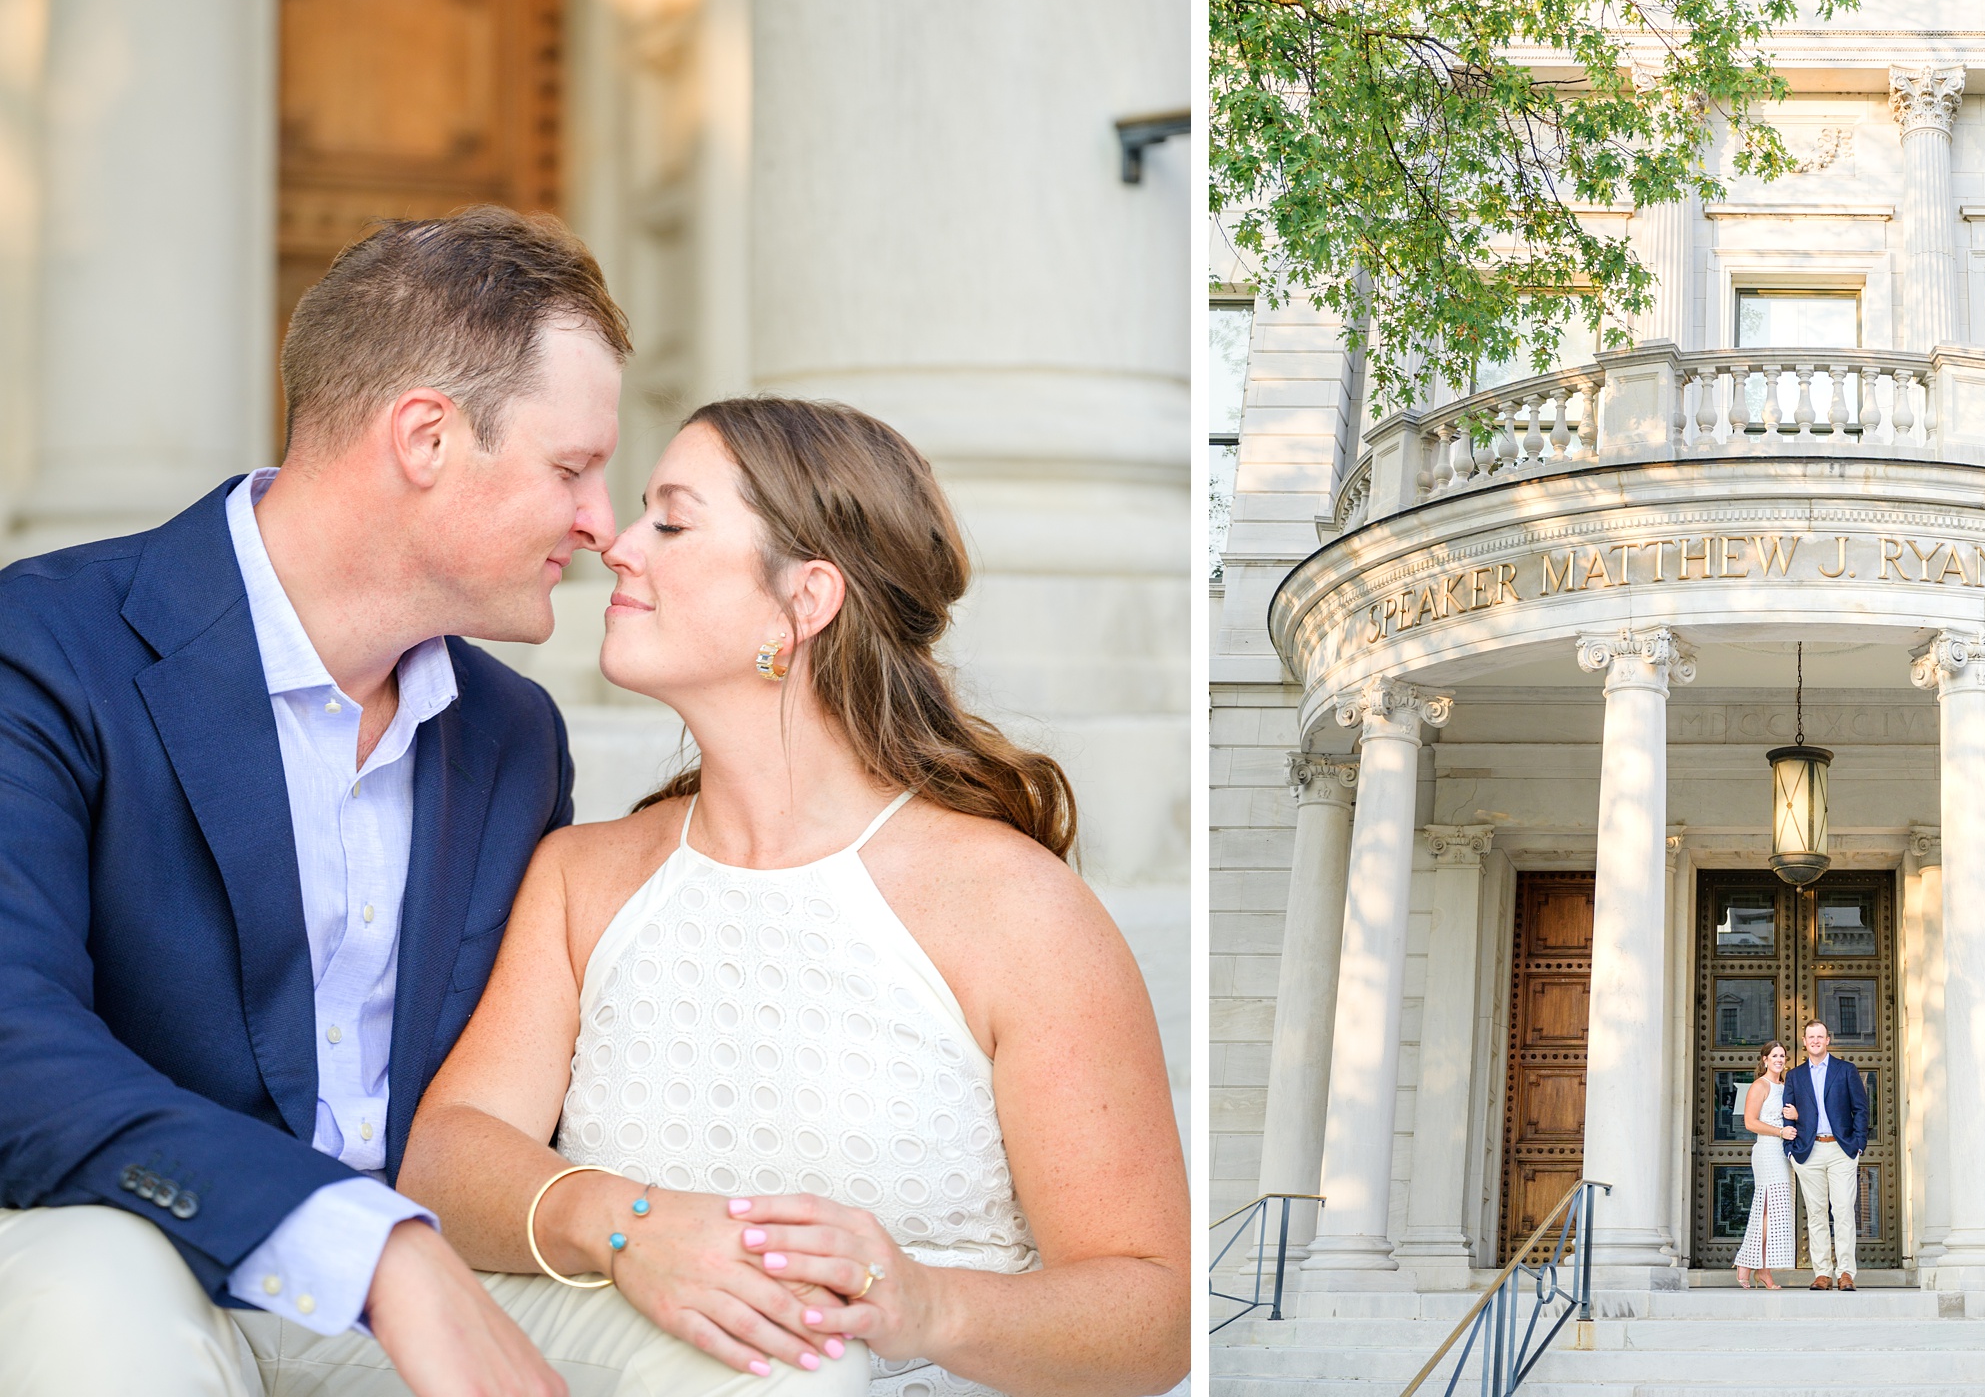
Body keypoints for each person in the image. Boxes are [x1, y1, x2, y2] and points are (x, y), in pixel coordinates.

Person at [395, 398, 1191, 1396]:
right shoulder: (581, 877)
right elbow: (442, 1156)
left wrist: (925, 1304)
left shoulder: (1014, 908)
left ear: (804, 601)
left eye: (673, 522)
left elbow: (1155, 1316)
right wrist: (626, 1222)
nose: (619, 544)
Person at [0, 208, 629, 1396]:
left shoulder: (516, 735)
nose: (603, 521)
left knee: (768, 1362)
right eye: (573, 467)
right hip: (138, 1247)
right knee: (92, 1300)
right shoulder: (43, 647)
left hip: (438, 1272)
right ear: (427, 437)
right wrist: (363, 1240)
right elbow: (14, 1046)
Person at [1782, 1017, 1870, 1291]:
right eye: (1811, 1037)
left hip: (1841, 1150)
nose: (1816, 1041)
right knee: (1817, 1213)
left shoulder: (1845, 1070)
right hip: (1808, 1153)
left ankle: (1846, 1273)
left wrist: (1858, 1145)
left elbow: (1861, 1109)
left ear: (1828, 1040)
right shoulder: (1795, 1076)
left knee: (1843, 1211)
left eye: (1820, 1037)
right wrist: (1790, 1151)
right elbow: (1787, 1113)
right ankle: (1822, 1273)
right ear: (1805, 1042)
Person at [1732, 1042, 1795, 1290]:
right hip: (1768, 1150)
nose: (1779, 1059)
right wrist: (1780, 1131)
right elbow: (1750, 1122)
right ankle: (1754, 1266)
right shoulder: (1760, 1085)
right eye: (1774, 1056)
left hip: (1784, 1153)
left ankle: (1756, 1266)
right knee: (1768, 1211)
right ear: (1765, 1059)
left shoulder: (1785, 1086)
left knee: (1774, 1213)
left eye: (1782, 1055)